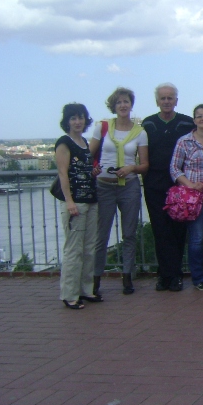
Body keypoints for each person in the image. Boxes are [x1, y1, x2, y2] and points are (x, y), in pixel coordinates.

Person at [90, 87, 149, 296]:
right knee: (101, 235)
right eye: (119, 102)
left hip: (129, 186)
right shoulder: (103, 127)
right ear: (113, 106)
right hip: (104, 186)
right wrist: (93, 168)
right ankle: (95, 280)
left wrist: (131, 167)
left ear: (131, 105)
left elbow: (145, 165)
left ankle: (127, 277)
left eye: (126, 101)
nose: (123, 105)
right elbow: (89, 155)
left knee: (129, 234)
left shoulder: (140, 132)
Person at [142, 84, 194, 292]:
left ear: (176, 101)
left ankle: (175, 275)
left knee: (178, 230)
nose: (166, 101)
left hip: (179, 184)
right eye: (162, 98)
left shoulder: (186, 123)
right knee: (160, 230)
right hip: (154, 184)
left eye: (170, 98)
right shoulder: (148, 124)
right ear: (157, 101)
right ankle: (164, 275)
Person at [170, 105, 203, 291]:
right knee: (197, 237)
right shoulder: (184, 141)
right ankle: (199, 277)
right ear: (194, 120)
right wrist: (189, 184)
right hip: (192, 196)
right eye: (199, 116)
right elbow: (174, 168)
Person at [55, 103, 100, 309]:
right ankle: (69, 294)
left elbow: (81, 170)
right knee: (74, 250)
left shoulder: (83, 142)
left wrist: (93, 172)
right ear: (67, 121)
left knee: (89, 248)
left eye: (80, 117)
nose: (77, 122)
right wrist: (69, 201)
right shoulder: (64, 143)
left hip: (90, 199)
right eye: (73, 118)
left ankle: (86, 290)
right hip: (76, 203)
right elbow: (63, 173)